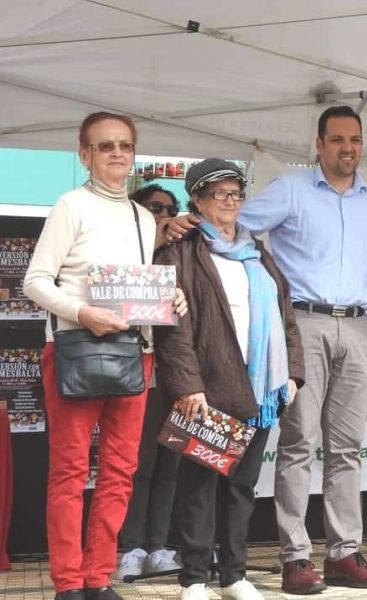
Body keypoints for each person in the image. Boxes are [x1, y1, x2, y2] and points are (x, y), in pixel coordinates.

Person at [164, 106, 367, 592]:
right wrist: (181, 225)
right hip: (303, 323)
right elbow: (233, 224)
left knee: (347, 448)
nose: (346, 148)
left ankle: (344, 552)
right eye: (336, 139)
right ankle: (296, 557)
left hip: (355, 327)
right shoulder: (290, 190)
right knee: (297, 445)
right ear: (319, 143)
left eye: (354, 139)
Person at [23, 112, 186, 600]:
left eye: (125, 145)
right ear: (84, 154)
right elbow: (33, 282)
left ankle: (98, 577)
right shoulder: (70, 205)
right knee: (70, 472)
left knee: (121, 471)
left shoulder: (142, 217)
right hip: (76, 348)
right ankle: (69, 582)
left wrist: (170, 299)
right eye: (105, 146)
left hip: (135, 352)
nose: (117, 153)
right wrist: (81, 312)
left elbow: (138, 286)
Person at [154, 159, 305, 600]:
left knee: (241, 487)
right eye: (219, 194)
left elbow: (286, 316)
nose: (230, 202)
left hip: (259, 391)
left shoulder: (259, 254)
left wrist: (292, 374)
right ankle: (195, 577)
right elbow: (171, 329)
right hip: (207, 388)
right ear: (197, 201)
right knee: (200, 486)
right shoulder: (179, 251)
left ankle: (235, 575)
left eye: (236, 193)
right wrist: (187, 386)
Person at [117, 183, 183, 579]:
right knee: (137, 466)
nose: (165, 215)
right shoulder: (125, 252)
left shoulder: (183, 255)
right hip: (134, 373)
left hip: (176, 378)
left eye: (171, 208)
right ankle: (132, 546)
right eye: (156, 207)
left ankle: (159, 545)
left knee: (169, 466)